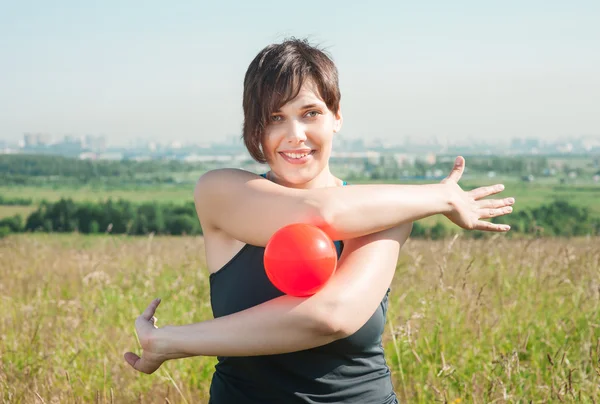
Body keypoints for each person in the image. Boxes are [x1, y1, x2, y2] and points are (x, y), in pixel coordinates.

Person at [124, 38, 515, 403]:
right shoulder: (220, 191)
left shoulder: (386, 212)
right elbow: (317, 213)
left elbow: (331, 317)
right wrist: (439, 195)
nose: (295, 135)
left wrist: (174, 340)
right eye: (275, 117)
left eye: (310, 113)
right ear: (255, 128)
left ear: (336, 116)